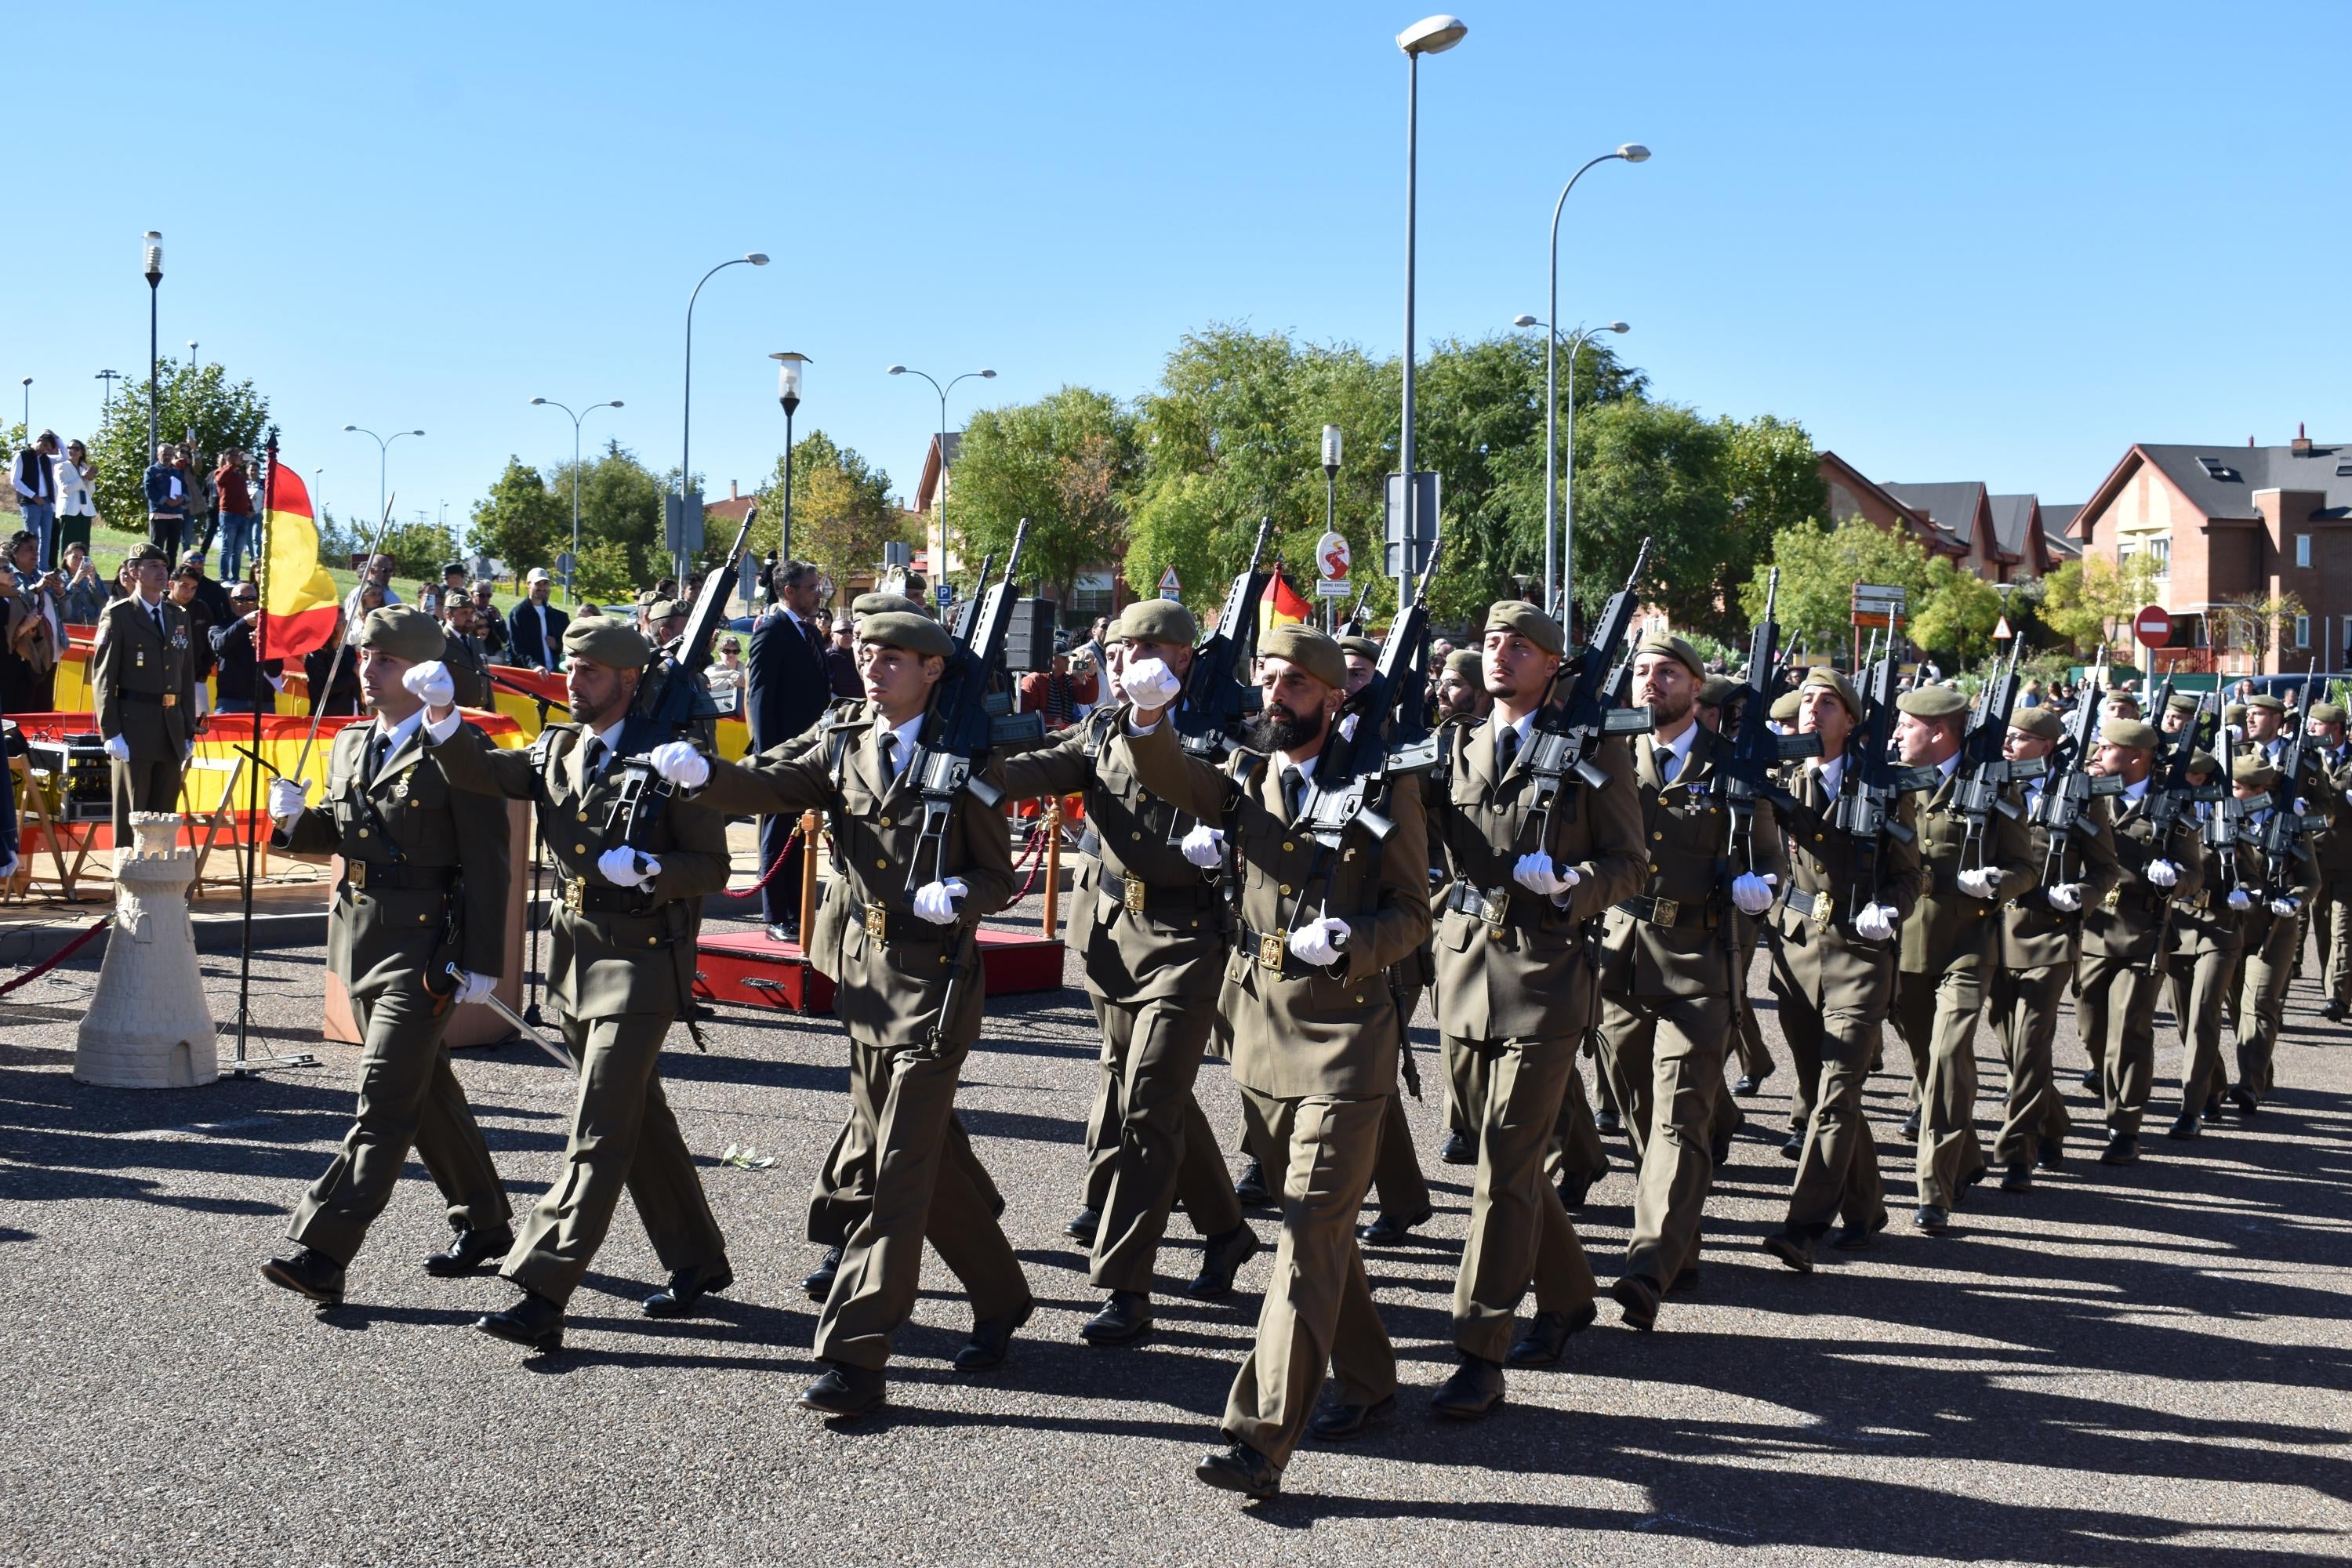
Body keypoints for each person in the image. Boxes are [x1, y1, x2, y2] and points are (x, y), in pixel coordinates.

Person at [648, 611, 1032, 1416]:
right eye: (865, 652)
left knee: (895, 1173)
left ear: (933, 668)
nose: (873, 665)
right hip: (865, 981)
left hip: (935, 985)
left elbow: (998, 873)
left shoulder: (969, 749)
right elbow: (768, 784)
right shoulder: (846, 733)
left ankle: (856, 1352)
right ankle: (1001, 1294)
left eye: (892, 657)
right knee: (933, 1166)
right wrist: (703, 774)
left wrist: (963, 892)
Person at [1111, 625, 1428, 1497]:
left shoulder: (1383, 783)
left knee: (1308, 1229)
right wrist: (1148, 715)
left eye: (1294, 684)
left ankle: (1259, 1436)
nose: (1275, 694)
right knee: (1318, 1229)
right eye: (1269, 678)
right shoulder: (1251, 769)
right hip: (1257, 1032)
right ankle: (1369, 1379)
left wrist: (1356, 940)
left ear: (1333, 697)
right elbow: (1172, 774)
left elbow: (1413, 913)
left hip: (1345, 1039)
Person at [423, 618, 736, 1354]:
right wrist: (442, 718)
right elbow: (486, 773)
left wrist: (655, 871)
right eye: (570, 667)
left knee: (598, 1127)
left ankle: (542, 1289)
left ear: (629, 680)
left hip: (642, 960)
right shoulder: (562, 746)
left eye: (591, 672)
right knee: (638, 1118)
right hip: (573, 958)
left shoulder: (673, 757)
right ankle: (697, 1259)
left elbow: (715, 867)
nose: (573, 681)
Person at [997, 599, 1258, 1347]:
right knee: (1151, 1093)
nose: (1122, 660)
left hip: (1183, 940)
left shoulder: (1224, 729)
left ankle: (1126, 1285)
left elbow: (1223, 796)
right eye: (1114, 648)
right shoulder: (1106, 725)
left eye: (1143, 647)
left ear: (1181, 658)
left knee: (1146, 1104)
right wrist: (977, 770)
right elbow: (1048, 767)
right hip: (1111, 938)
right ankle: (1227, 1229)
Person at [255, 607, 514, 1310]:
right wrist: (291, 822)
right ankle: (488, 1223)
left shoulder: (456, 748)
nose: (369, 671)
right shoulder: (349, 742)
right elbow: (342, 835)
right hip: (362, 936)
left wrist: (482, 958)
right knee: (424, 1092)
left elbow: (490, 863)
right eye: (366, 657)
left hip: (425, 948)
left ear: (428, 671)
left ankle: (323, 1251)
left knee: (383, 1102)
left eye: (387, 661)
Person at [1593, 632, 1778, 1329]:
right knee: (1641, 1111)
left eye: (1666, 672)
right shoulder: (1608, 761)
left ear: (1694, 688)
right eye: (1641, 671)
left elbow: (1769, 863)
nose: (1650, 682)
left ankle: (1646, 1267)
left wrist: (1763, 893)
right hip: (1620, 957)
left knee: (1678, 1115)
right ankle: (1682, 1242)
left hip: (1701, 962)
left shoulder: (1733, 768)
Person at [1760, 669, 1925, 1274]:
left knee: (1836, 1095)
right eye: (1806, 700)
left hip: (1861, 954)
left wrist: (1892, 907)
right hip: (1797, 951)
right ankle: (1866, 1204)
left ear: (1850, 721)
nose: (1813, 710)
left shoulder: (1883, 787)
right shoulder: (1785, 778)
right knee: (1820, 1090)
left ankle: (1803, 1227)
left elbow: (1913, 873)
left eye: (1827, 702)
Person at [1887, 684, 2036, 1236]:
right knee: (1927, 1068)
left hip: (1967, 947)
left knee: (1950, 1061)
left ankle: (1934, 1188)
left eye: (1906, 725)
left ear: (1940, 732)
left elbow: (2025, 867)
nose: (1898, 734)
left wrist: (1995, 882)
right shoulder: (1893, 781)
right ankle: (1968, 1157)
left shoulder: (1993, 787)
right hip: (1903, 946)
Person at [1988, 705, 2118, 1186]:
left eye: (2019, 739)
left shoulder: (2081, 797)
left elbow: (2107, 870)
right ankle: (2055, 1123)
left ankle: (2016, 1151)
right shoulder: (1993, 787)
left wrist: (2080, 894)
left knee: (2030, 1045)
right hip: (1993, 933)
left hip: (2048, 934)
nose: (2008, 746)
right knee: (2010, 1045)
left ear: (2045, 747)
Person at [2073, 718, 2201, 1167]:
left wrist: (2177, 878)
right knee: (2091, 1029)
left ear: (2134, 756)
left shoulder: (2171, 806)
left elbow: (2195, 872)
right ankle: (2111, 1091)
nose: (2097, 755)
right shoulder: (2088, 796)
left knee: (2128, 1032)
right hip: (2091, 929)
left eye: (2105, 748)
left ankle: (2125, 1126)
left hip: (2142, 934)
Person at [745, 559, 832, 943]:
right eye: (811, 588)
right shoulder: (772, 632)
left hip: (811, 752)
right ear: (789, 592)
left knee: (802, 834)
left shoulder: (809, 633)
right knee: (779, 833)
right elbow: (760, 699)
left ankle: (799, 910)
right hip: (784, 754)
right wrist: (770, 758)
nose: (818, 594)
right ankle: (776, 915)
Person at [93, 545, 198, 844]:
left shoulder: (178, 616)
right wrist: (111, 731)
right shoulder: (119, 615)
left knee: (163, 817)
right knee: (133, 815)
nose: (162, 571)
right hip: (133, 726)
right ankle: (128, 886)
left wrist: (188, 729)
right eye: (153, 565)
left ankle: (160, 886)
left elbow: (185, 677)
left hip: (171, 727)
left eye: (164, 565)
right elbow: (103, 678)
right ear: (134, 572)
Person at [211, 581, 285, 714]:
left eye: (250, 600)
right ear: (231, 601)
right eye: (239, 599)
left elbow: (275, 670)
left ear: (257, 602)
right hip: (230, 701)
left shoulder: (270, 630)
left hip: (264, 702)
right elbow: (220, 646)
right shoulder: (219, 627)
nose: (244, 604)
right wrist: (244, 622)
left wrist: (264, 649)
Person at [168, 564, 218, 713]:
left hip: (195, 680)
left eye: (193, 588)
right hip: (165, 680)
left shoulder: (201, 609)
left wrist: (203, 673)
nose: (188, 592)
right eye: (184, 586)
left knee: (200, 725)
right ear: (171, 584)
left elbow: (211, 643)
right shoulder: (158, 607)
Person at [12, 431, 60, 570]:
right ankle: (31, 568)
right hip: (31, 502)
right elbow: (15, 481)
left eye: (48, 449)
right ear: (38, 440)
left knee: (47, 538)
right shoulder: (22, 455)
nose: (44, 450)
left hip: (46, 502)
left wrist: (56, 437)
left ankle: (43, 568)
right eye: (44, 445)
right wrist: (33, 496)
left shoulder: (46, 458)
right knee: (32, 538)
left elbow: (65, 456)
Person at [506, 568, 568, 671]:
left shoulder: (553, 615)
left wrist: (556, 645)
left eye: (545, 583)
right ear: (528, 584)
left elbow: (566, 645)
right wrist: (534, 665)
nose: (542, 587)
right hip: (530, 675)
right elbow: (516, 648)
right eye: (538, 583)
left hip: (552, 674)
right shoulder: (517, 614)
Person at [305, 611, 363, 717]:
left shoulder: (348, 650)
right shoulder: (316, 657)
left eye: (346, 621)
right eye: (342, 623)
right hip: (329, 718)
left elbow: (355, 686)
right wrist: (354, 674)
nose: (347, 626)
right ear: (331, 628)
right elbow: (322, 690)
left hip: (353, 713)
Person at [1018, 650, 1096, 728]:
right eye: (1064, 658)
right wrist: (1052, 721)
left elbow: (1088, 698)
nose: (1069, 661)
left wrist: (1091, 675)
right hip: (1043, 735)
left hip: (1063, 734)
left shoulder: (1069, 681)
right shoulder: (1033, 680)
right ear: (1052, 658)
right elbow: (1026, 714)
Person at [439, 598, 494, 709]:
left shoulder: (476, 642)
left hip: (481, 714)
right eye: (464, 613)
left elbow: (486, 682)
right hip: (456, 714)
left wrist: (491, 710)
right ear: (449, 615)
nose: (470, 617)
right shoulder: (440, 643)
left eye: (472, 612)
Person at [212, 448, 254, 583]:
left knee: (238, 550)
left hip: (243, 516)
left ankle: (236, 578)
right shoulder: (222, 471)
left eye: (239, 456)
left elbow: (245, 493)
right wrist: (231, 466)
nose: (238, 458)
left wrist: (251, 508)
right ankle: (224, 577)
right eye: (235, 455)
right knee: (227, 548)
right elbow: (220, 480)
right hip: (228, 514)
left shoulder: (239, 475)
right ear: (227, 456)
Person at [53, 438, 96, 569]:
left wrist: (89, 478)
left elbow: (91, 491)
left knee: (84, 544)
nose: (72, 451)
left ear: (82, 452)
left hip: (85, 510)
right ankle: (66, 569)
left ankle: (84, 569)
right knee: (68, 542)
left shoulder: (85, 467)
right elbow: (65, 488)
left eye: (76, 448)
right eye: (70, 448)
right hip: (70, 509)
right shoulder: (61, 466)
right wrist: (83, 478)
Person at [60, 543, 107, 626]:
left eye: (82, 559)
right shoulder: (59, 578)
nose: (78, 561)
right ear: (66, 555)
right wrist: (75, 581)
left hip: (92, 624)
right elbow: (61, 604)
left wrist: (92, 583)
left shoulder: (93, 576)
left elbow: (103, 603)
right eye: (75, 557)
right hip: (70, 625)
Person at [342, 555, 400, 623]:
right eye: (385, 570)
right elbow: (348, 621)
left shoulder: (392, 595)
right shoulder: (358, 593)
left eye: (390, 571)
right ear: (372, 570)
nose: (388, 574)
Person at [468, 581, 510, 662]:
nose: (485, 599)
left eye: (489, 595)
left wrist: (498, 621)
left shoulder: (493, 612)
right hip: (474, 657)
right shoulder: (467, 613)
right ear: (472, 594)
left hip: (493, 657)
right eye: (481, 595)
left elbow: (505, 638)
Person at [826, 616, 861, 699]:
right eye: (843, 631)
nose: (848, 635)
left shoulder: (859, 654)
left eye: (851, 631)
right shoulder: (826, 657)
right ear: (832, 636)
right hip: (839, 707)